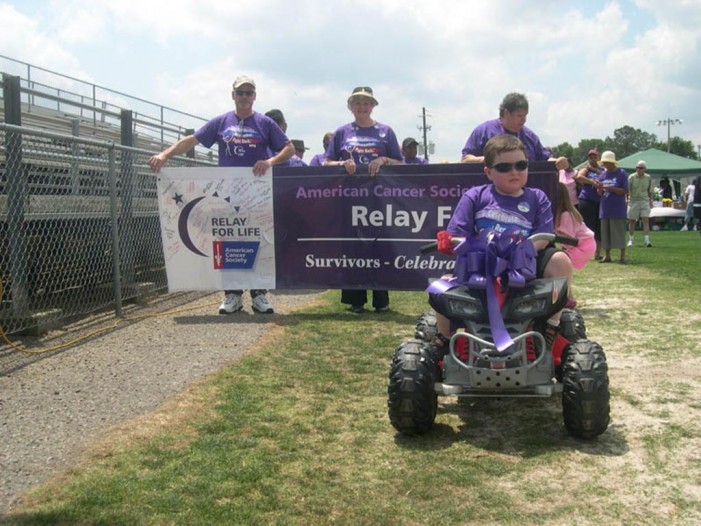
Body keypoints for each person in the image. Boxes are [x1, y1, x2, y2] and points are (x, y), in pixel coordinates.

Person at [149, 75, 294, 315]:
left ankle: (259, 294)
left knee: (259, 239)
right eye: (241, 92)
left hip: (257, 193)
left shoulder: (265, 123)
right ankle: (232, 295)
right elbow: (192, 140)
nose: (245, 97)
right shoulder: (221, 121)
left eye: (249, 92)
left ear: (255, 96)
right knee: (229, 240)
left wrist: (270, 161)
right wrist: (165, 154)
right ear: (233, 95)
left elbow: (288, 148)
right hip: (226, 193)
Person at [435, 134, 573, 346]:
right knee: (441, 285)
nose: (514, 172)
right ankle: (443, 341)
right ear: (489, 172)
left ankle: (551, 327)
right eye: (504, 167)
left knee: (560, 260)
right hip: (481, 265)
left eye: (521, 164)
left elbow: (543, 237)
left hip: (525, 264)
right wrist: (452, 241)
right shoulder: (475, 196)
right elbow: (457, 234)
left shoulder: (538, 197)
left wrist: (515, 254)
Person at [324, 86, 403, 313]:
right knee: (353, 247)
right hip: (349, 200)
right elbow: (326, 162)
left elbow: (401, 163)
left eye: (366, 102)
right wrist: (342, 164)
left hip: (379, 200)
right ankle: (355, 300)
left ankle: (382, 300)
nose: (362, 106)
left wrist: (384, 160)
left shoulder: (386, 132)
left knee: (379, 246)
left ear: (373, 106)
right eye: (357, 102)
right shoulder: (342, 132)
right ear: (351, 106)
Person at [460, 92, 566, 168]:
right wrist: (488, 160)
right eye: (519, 116)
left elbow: (547, 159)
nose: (524, 120)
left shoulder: (530, 136)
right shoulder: (483, 131)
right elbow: (465, 160)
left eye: (525, 116)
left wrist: (559, 162)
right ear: (506, 113)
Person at [554, 182, 596, 306]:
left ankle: (568, 298)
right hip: (586, 244)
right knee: (562, 269)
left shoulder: (566, 214)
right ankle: (569, 298)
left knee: (559, 266)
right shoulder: (567, 212)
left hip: (582, 246)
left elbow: (568, 238)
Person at [598, 151, 629, 264]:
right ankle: (607, 255)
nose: (606, 165)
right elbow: (599, 193)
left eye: (608, 163)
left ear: (613, 163)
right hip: (605, 209)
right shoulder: (602, 175)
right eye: (604, 163)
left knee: (619, 232)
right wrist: (600, 189)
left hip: (618, 209)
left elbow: (624, 191)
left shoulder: (621, 173)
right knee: (605, 233)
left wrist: (609, 188)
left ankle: (622, 256)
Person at [576, 149, 604, 260]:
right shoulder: (586, 169)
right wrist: (592, 182)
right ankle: (585, 252)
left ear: (598, 158)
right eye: (591, 157)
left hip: (599, 201)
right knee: (587, 228)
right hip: (587, 200)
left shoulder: (602, 169)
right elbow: (579, 177)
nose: (593, 159)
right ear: (588, 158)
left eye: (595, 157)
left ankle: (597, 253)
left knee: (599, 228)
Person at [627, 160, 653, 247]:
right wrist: (626, 200)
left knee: (646, 220)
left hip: (644, 201)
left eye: (641, 168)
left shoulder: (648, 178)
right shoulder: (631, 177)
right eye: (637, 168)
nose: (638, 169)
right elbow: (627, 190)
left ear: (644, 169)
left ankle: (647, 240)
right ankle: (631, 240)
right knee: (632, 221)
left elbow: (650, 191)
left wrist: (651, 201)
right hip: (633, 201)